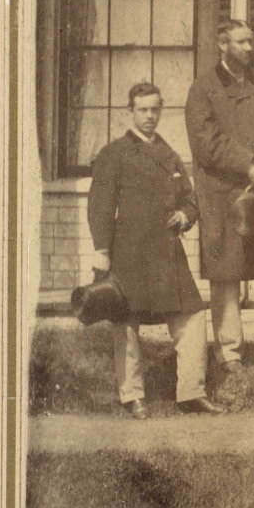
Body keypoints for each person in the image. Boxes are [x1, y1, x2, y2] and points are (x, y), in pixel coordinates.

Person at [86, 81, 211, 416]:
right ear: (130, 112)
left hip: (168, 253)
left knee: (193, 316)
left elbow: (190, 199)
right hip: (129, 252)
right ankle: (133, 395)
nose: (149, 116)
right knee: (126, 323)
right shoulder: (114, 153)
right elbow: (99, 205)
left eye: (155, 109)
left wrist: (185, 215)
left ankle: (191, 392)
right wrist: (101, 249)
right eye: (142, 110)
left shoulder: (168, 153)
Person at [183, 19, 254, 376]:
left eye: (252, 41)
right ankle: (230, 354)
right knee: (227, 274)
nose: (249, 48)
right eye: (241, 42)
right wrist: (249, 166)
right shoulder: (203, 90)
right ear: (222, 44)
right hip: (223, 193)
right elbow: (206, 143)